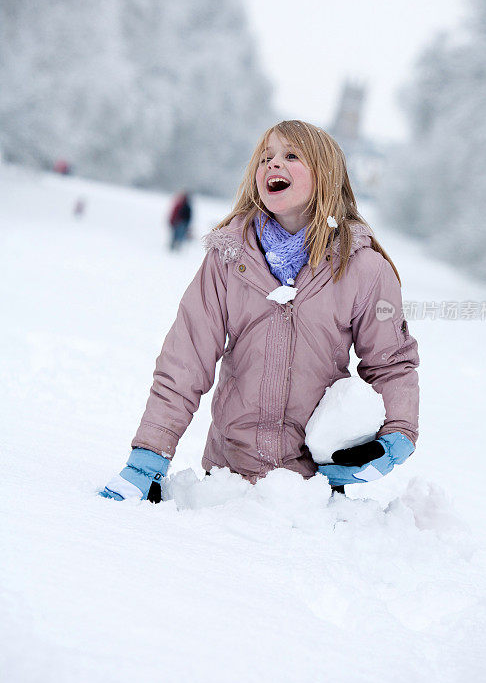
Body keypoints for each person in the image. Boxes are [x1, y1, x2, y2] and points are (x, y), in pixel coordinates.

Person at [99, 121, 419, 502]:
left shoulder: (362, 269)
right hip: (226, 481)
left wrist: (396, 436)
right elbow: (185, 359)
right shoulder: (228, 258)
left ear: (326, 174)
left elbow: (390, 363)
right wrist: (148, 455)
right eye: (265, 157)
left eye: (291, 156)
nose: (273, 165)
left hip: (314, 492)